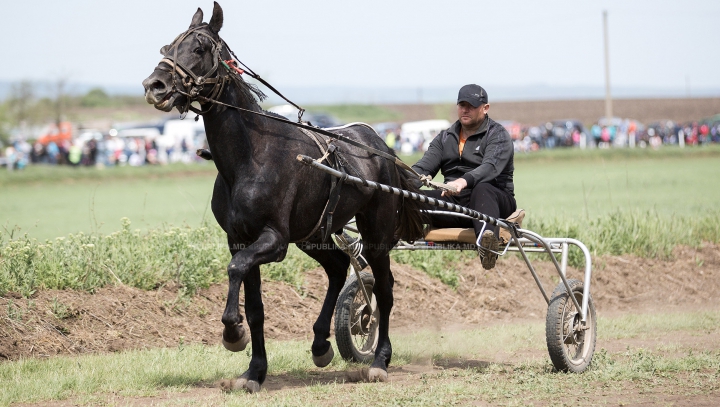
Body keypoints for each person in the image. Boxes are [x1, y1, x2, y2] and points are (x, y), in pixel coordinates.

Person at [411, 84, 516, 270]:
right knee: (409, 200)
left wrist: (463, 181)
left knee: (482, 188)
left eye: (471, 105)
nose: (465, 110)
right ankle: (370, 251)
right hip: (455, 205)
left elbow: (490, 167)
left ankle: (487, 246)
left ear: (485, 108)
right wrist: (397, 183)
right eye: (462, 105)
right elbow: (423, 167)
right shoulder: (444, 138)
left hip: (494, 204)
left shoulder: (498, 135)